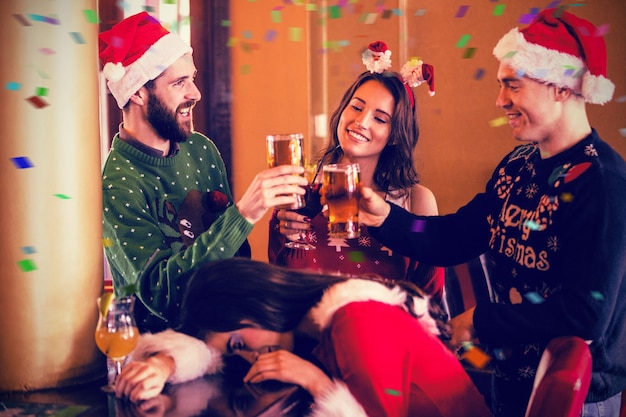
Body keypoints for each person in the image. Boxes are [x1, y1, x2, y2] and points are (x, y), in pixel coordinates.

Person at [357, 9, 626, 417]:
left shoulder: (602, 183)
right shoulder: (518, 164)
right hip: (510, 380)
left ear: (561, 88)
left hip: (577, 396)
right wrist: (385, 219)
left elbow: (584, 314)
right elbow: (455, 236)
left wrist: (481, 320)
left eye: (512, 86)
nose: (500, 101)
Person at [98, 12, 307, 332]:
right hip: (168, 349)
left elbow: (235, 259)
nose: (195, 93)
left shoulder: (200, 148)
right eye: (179, 82)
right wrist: (244, 213)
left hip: (232, 327)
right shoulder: (119, 183)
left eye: (191, 79)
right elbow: (163, 295)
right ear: (138, 92)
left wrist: (279, 230)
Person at [114, 257, 492, 417]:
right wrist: (167, 361)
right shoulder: (317, 325)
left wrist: (317, 384)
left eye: (239, 345)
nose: (250, 357)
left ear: (255, 304)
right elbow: (213, 349)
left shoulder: (357, 322)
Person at [269, 41, 445, 301]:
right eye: (357, 106)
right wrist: (283, 232)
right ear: (342, 110)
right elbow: (277, 288)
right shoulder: (300, 191)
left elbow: (429, 298)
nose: (361, 122)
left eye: (380, 118)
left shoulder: (415, 201)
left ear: (395, 135)